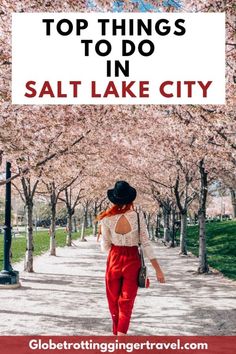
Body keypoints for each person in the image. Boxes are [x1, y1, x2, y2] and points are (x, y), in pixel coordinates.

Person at [97, 180, 165, 336]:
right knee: (126, 302)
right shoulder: (137, 215)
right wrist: (158, 270)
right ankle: (120, 339)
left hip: (114, 258)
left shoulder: (106, 218)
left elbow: (105, 247)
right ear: (130, 198)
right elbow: (146, 243)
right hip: (132, 259)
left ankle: (117, 337)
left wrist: (106, 236)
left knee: (113, 301)